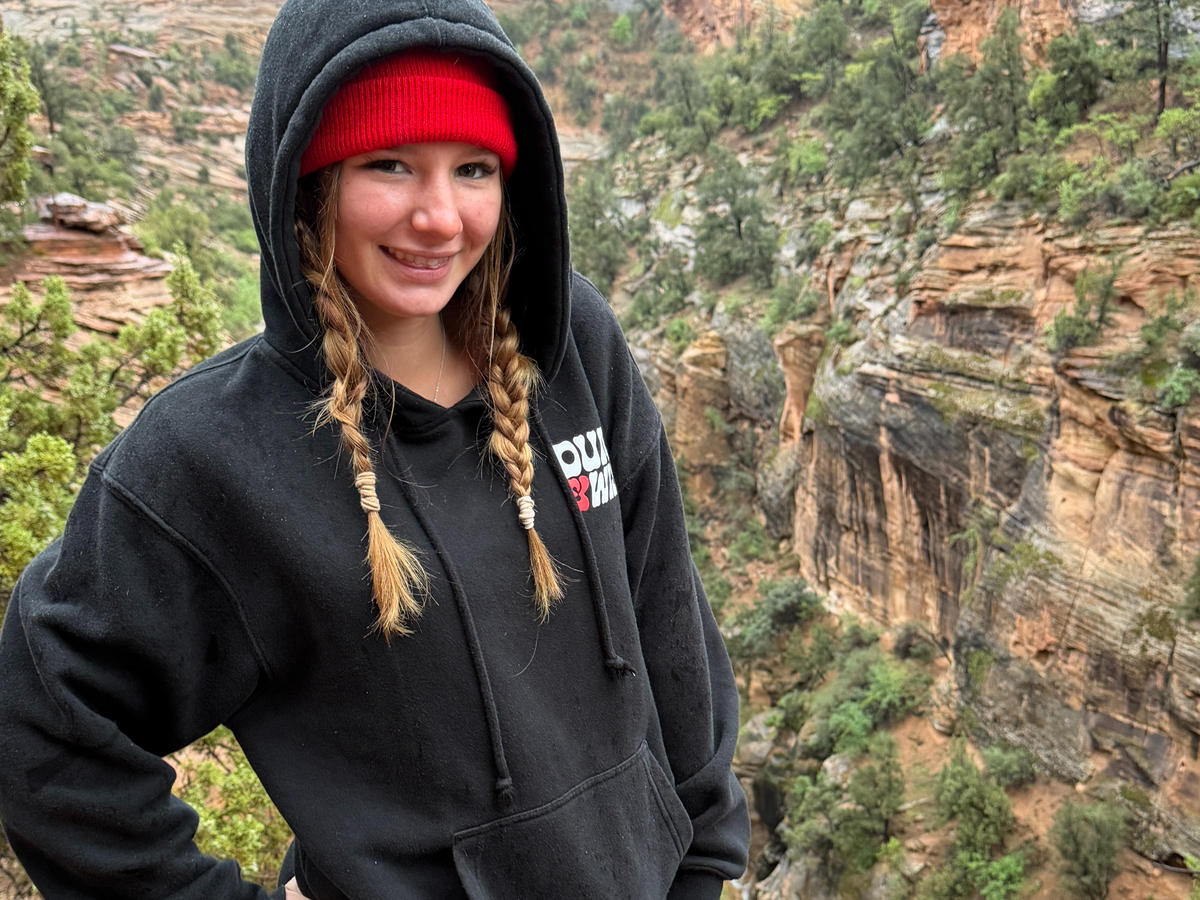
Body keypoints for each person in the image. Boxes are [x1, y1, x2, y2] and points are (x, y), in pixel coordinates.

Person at [0, 0, 750, 896]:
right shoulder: (213, 455)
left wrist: (704, 863)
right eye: (390, 164)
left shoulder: (569, 344)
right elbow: (41, 714)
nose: (439, 217)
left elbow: (666, 608)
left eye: (473, 169)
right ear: (308, 181)